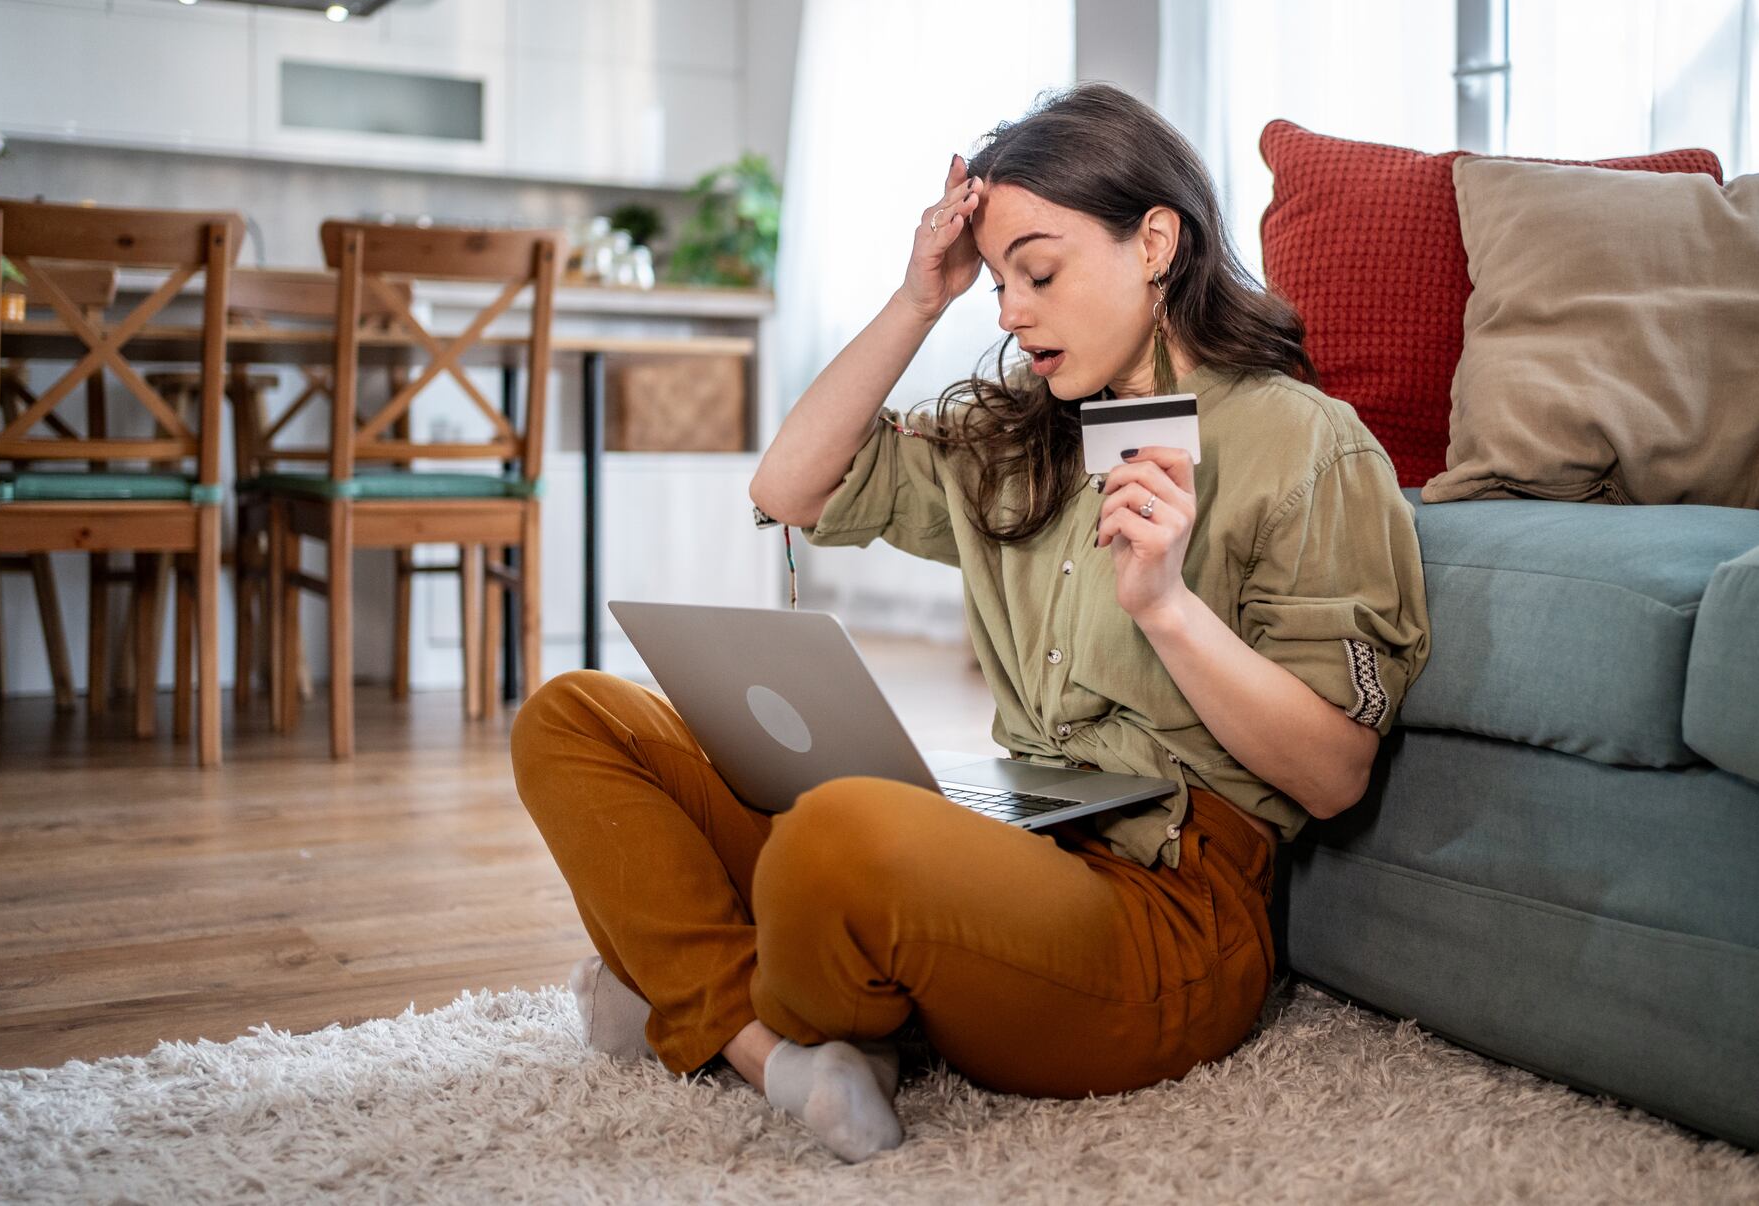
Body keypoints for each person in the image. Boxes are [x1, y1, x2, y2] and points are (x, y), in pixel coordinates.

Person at [511, 83, 1430, 1163]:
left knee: (834, 837)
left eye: (1037, 273)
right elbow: (791, 485)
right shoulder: (1019, 438)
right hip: (1010, 838)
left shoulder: (1306, 444)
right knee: (575, 715)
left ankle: (701, 993)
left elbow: (1333, 776)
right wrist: (918, 300)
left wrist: (1169, 608)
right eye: (995, 282)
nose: (1007, 311)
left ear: (1156, 242)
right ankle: (768, 1046)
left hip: (1165, 911)